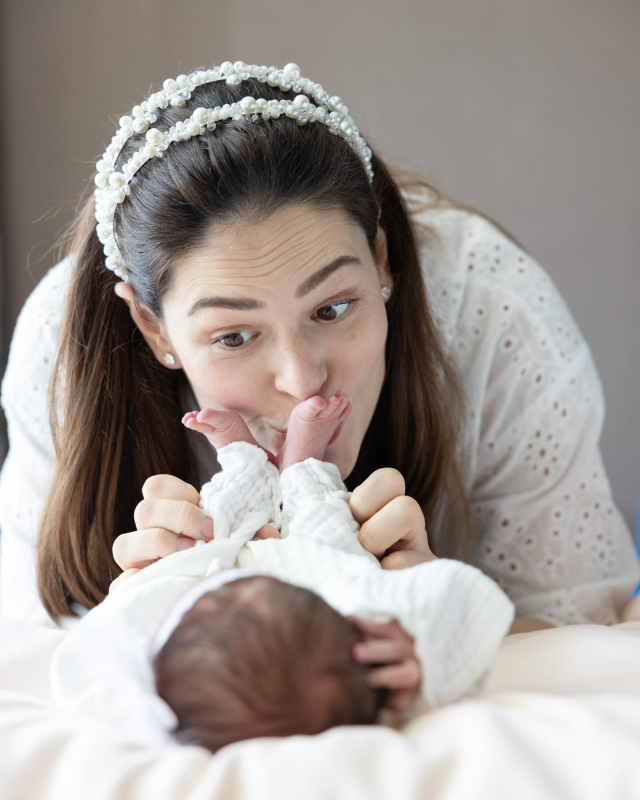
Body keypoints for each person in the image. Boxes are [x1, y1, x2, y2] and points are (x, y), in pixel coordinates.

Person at [0, 59, 637, 647]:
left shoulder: (490, 307)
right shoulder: (62, 351)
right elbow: (28, 646)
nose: (304, 381)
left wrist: (445, 611)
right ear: (154, 329)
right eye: (233, 337)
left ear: (381, 263)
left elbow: (586, 629)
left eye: (333, 309)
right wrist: (135, 620)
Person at [50, 390, 513, 751]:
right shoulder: (367, 649)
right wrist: (421, 646)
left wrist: (134, 622)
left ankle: (242, 460)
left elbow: (83, 668)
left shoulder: (163, 686)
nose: (251, 592)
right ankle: (305, 463)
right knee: (327, 521)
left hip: (210, 565)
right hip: (322, 580)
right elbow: (477, 601)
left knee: (211, 528)